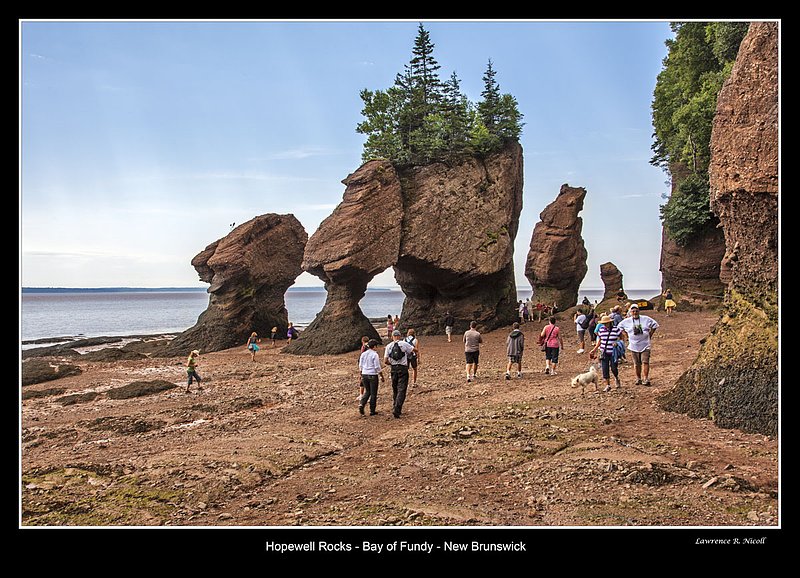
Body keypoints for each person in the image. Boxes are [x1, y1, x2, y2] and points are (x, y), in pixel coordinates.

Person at [617, 303, 659, 386]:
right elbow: (619, 327)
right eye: (633, 311)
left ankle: (645, 378)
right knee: (636, 363)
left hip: (645, 344)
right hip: (633, 345)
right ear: (631, 312)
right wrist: (625, 335)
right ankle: (638, 378)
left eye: (636, 311)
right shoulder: (627, 321)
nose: (635, 312)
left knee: (645, 362)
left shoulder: (646, 319)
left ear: (639, 311)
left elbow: (655, 325)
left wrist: (650, 334)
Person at [383, 329, 416, 418]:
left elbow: (385, 361)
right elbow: (414, 350)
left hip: (393, 369)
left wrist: (392, 364)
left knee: (395, 389)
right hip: (403, 368)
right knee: (402, 389)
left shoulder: (388, 346)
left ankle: (395, 406)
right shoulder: (404, 344)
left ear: (392, 337)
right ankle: (397, 409)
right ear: (400, 336)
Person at [590, 314, 624, 392]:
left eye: (606, 323)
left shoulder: (616, 329)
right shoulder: (601, 329)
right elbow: (600, 340)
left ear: (610, 323)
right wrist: (594, 349)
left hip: (613, 352)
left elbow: (622, 337)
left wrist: (618, 343)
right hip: (604, 351)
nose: (605, 325)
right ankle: (608, 385)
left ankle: (616, 378)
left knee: (613, 368)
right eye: (604, 323)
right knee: (605, 369)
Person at [358, 339, 385, 416]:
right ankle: (372, 410)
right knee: (373, 393)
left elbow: (360, 365)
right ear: (374, 346)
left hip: (364, 374)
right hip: (372, 375)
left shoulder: (363, 354)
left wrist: (360, 374)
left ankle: (362, 404)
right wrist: (381, 376)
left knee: (367, 391)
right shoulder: (374, 355)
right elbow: (377, 367)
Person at [356, 336, 370, 400]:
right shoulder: (370, 347)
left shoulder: (364, 348)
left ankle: (362, 395)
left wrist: (360, 368)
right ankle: (367, 394)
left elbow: (361, 358)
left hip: (364, 367)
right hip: (369, 367)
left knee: (362, 380)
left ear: (362, 341)